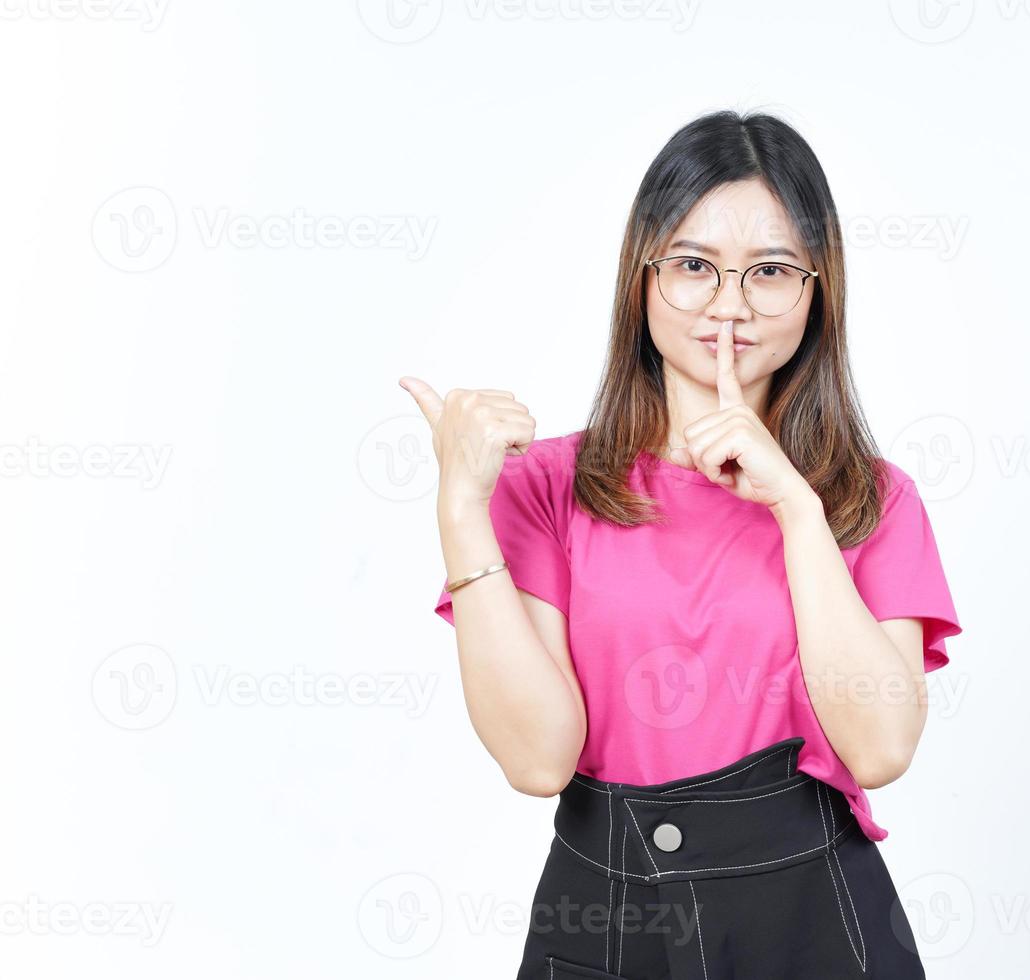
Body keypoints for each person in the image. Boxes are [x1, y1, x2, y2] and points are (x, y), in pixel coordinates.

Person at [401, 108, 962, 979]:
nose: (729, 305)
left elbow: (881, 750)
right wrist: (461, 508)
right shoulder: (548, 486)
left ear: (818, 292)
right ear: (642, 278)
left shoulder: (870, 498)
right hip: (606, 920)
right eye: (695, 266)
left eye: (771, 271)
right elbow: (537, 759)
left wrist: (796, 509)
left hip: (813, 922)